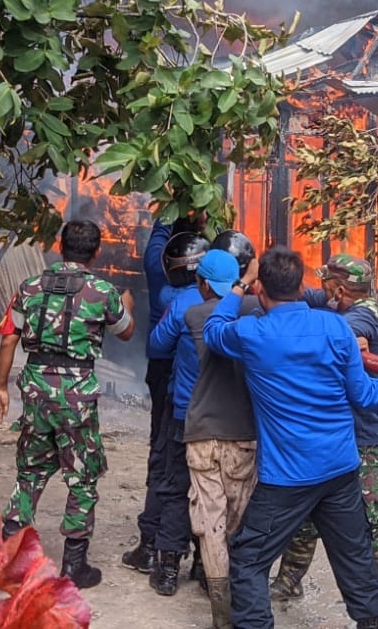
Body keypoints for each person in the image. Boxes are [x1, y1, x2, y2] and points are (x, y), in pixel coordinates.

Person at [205, 246, 378, 629]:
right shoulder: (335, 326)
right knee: (353, 552)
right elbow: (366, 395)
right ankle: (371, 623)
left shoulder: (253, 332)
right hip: (339, 467)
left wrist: (238, 285)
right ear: (304, 286)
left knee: (249, 557)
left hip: (287, 478)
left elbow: (213, 330)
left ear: (260, 290)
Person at [0, 219, 134, 589]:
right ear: (97, 252)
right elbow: (126, 331)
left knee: (31, 469)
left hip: (36, 389)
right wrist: (127, 305)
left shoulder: (31, 287)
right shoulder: (104, 292)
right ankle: (74, 565)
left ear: (59, 246)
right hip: (77, 393)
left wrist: (0, 387)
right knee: (82, 474)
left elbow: (9, 339)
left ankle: (10, 560)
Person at [272, 254, 378, 627]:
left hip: (360, 436)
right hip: (332, 433)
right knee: (308, 513)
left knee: (373, 520)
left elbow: (337, 333)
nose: (322, 289)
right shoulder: (338, 302)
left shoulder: (368, 313)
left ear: (342, 289)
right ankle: (288, 582)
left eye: (328, 285)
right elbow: (305, 298)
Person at [184, 235, 262, 629]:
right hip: (243, 434)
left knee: (209, 524)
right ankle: (239, 601)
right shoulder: (258, 311)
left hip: (201, 431)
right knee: (235, 522)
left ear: (203, 284)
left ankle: (221, 616)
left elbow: (224, 307)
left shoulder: (196, 315)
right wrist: (252, 281)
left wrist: (240, 286)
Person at [124, 219, 206, 573]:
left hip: (168, 378)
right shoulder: (219, 299)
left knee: (165, 456)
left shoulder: (164, 287)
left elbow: (153, 250)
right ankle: (205, 556)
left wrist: (166, 213)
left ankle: (153, 543)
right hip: (206, 384)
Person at [144, 231, 216, 595]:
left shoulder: (184, 302)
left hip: (186, 412)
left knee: (176, 487)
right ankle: (209, 568)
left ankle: (168, 569)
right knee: (219, 494)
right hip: (232, 420)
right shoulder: (251, 306)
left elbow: (156, 346)